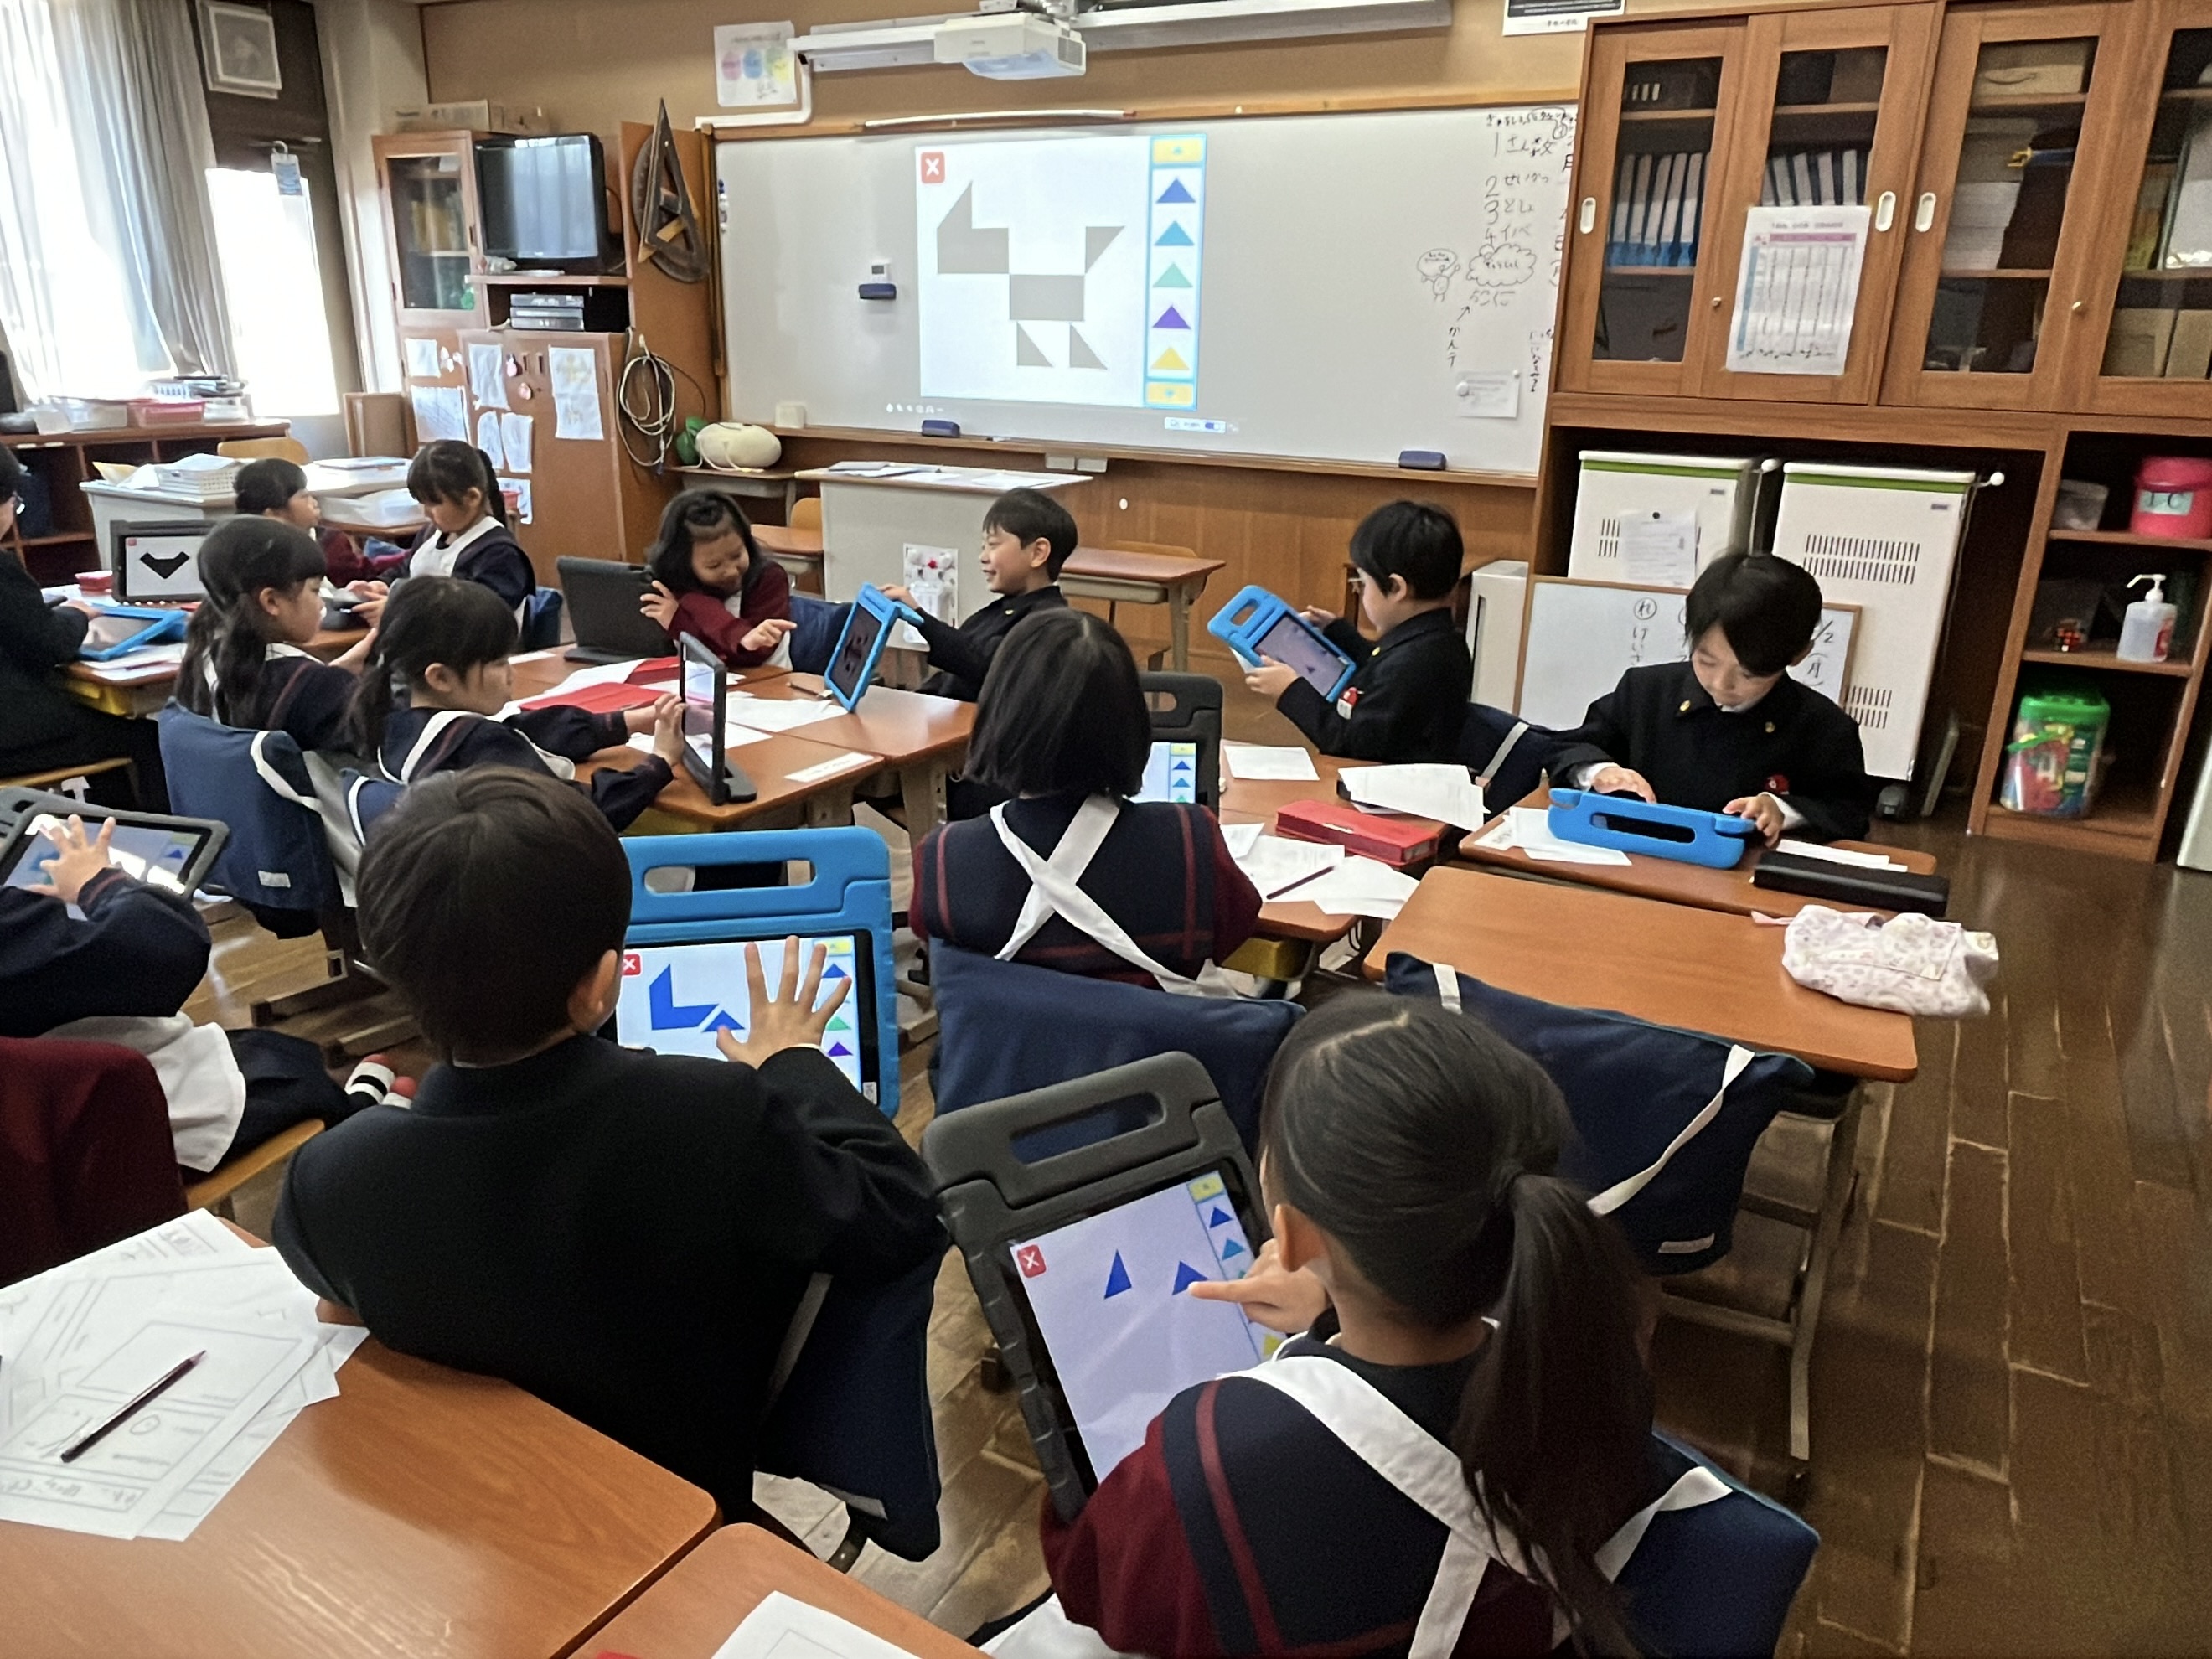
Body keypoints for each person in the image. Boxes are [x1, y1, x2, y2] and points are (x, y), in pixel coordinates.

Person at [271, 767, 946, 1519]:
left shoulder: (331, 1176)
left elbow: (341, 1306)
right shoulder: (713, 1117)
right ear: (599, 986)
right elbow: (903, 1212)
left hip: (471, 1520)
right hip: (682, 1523)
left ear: (394, 966)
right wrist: (794, 1064)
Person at [1036, 993, 1667, 1656]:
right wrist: (1332, 1306)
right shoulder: (1585, 1359)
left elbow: (1094, 1586)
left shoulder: (1210, 1457)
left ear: (1291, 1235)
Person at [0, 814, 389, 1174]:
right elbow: (166, 950)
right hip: (104, 1133)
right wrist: (99, 882)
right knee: (292, 1076)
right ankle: (367, 1132)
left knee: (268, 1050)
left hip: (37, 1125)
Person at [913, 609, 1260, 985]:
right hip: (1158, 1024)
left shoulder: (946, 856)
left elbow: (935, 945)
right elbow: (1235, 931)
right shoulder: (1190, 837)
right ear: (1132, 721)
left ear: (1000, 716)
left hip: (1010, 1025)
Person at [1550, 552, 1873, 843]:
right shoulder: (1646, 691)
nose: (1721, 684)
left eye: (1748, 674)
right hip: (1633, 853)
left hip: (1742, 875)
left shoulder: (1823, 727)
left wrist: (1782, 809)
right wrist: (1600, 770)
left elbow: (1848, 812)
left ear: (1799, 655)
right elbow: (1570, 747)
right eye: (1706, 661)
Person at [348, 575, 682, 832]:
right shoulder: (481, 747)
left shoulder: (398, 718)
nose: (510, 673)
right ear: (441, 677)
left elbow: (522, 729)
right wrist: (659, 763)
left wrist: (630, 721)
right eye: (498, 663)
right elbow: (587, 812)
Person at [0, 447, 167, 807]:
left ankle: (111, 826)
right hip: (12, 738)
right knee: (145, 737)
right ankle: (156, 833)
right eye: (14, 502)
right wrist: (76, 614)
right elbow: (51, 642)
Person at [1244, 500, 1472, 763]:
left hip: (1384, 784)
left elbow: (1350, 746)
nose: (1361, 591)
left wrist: (1291, 691)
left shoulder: (1413, 664)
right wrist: (1338, 632)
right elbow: (1379, 668)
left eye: (1363, 583)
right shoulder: (1439, 641)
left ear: (1396, 588)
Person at [174, 517, 375, 753]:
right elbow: (394, 748)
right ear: (271, 601)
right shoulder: (317, 688)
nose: (321, 603)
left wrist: (336, 671)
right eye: (314, 590)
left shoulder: (203, 658)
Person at [882, 487, 1072, 702]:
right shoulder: (1000, 610)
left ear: (1038, 553)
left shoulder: (1047, 624)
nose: (983, 557)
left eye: (993, 545)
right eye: (983, 547)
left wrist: (921, 618)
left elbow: (979, 663)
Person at [362, 441, 534, 620]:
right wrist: (382, 586)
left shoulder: (501, 554)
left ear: (472, 498)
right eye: (422, 503)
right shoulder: (429, 535)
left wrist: (399, 612)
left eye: (434, 503)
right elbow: (406, 570)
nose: (426, 513)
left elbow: (478, 616)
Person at [639, 488, 796, 669]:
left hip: (768, 680)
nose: (731, 571)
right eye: (714, 566)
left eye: (737, 555)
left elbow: (751, 656)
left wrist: (680, 624)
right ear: (684, 564)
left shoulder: (769, 578)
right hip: (700, 682)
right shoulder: (674, 589)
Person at [232, 456, 401, 589]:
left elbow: (359, 575)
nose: (314, 502)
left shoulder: (329, 539)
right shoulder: (253, 557)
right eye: (304, 496)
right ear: (273, 515)